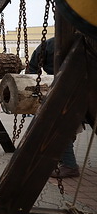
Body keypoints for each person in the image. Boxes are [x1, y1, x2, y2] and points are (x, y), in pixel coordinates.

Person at [29, 37, 79, 178]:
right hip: (80, 87)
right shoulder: (87, 39)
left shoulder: (48, 45)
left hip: (61, 90)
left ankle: (69, 164)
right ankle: (65, 159)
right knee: (67, 126)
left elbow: (32, 69)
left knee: (60, 127)